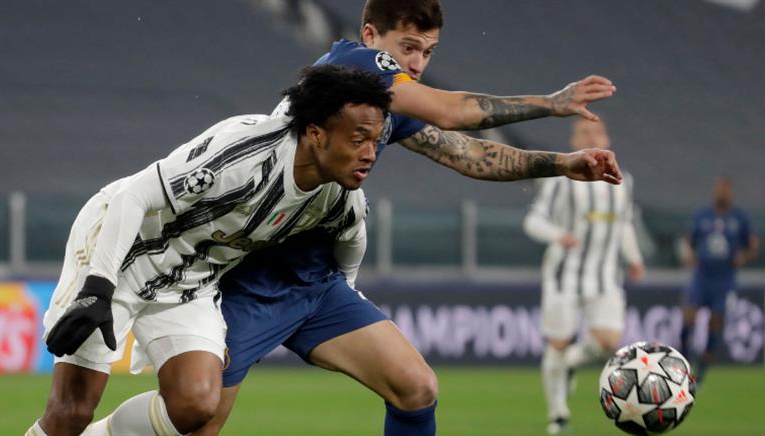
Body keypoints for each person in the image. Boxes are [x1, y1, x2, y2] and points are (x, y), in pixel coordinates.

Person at [197, 1, 623, 434]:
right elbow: (451, 112)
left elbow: (469, 154)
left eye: (428, 52)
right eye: (408, 48)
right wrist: (551, 103)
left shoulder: (384, 102)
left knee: (416, 388)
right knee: (198, 420)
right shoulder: (352, 65)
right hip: (250, 281)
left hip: (315, 284)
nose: (417, 64)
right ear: (370, 36)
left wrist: (563, 163)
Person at [27, 65, 397, 436]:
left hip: (190, 280)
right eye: (358, 140)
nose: (370, 154)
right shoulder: (246, 156)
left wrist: (346, 289)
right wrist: (99, 286)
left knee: (198, 403)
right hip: (122, 253)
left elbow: (352, 239)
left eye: (375, 141)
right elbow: (134, 196)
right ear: (316, 133)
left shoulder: (340, 197)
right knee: (72, 412)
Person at [524, 118, 645, 434]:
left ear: (607, 138)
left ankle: (570, 365)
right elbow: (533, 221)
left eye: (597, 132)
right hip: (564, 275)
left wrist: (634, 258)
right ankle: (558, 415)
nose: (592, 136)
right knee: (558, 343)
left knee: (609, 342)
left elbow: (624, 224)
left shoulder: (623, 181)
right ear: (574, 141)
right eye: (584, 132)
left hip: (605, 276)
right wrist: (558, 235)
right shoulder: (560, 181)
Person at [679, 177, 758, 384]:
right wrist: (689, 255)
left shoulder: (740, 218)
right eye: (719, 189)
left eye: (726, 190)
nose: (722, 193)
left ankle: (702, 370)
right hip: (702, 275)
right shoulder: (702, 216)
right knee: (689, 317)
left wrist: (744, 256)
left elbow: (753, 245)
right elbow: (689, 241)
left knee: (716, 321)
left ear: (731, 193)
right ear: (714, 192)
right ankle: (683, 360)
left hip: (724, 278)